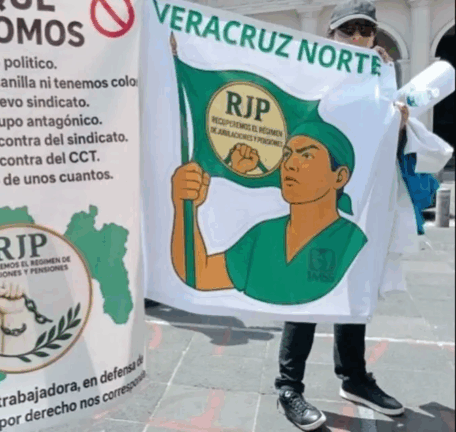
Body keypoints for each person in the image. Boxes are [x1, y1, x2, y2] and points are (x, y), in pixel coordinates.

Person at [272, 1, 408, 429]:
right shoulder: (310, 74)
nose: (357, 38)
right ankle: (288, 387)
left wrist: (400, 124)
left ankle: (353, 377)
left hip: (360, 201)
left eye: (366, 30)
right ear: (330, 35)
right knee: (306, 289)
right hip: (314, 202)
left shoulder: (380, 81)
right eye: (348, 29)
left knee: (354, 286)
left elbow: (389, 151)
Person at [171, 125, 368, 306]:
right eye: (287, 154)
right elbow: (199, 274)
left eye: (307, 156)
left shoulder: (353, 241)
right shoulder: (264, 236)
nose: (290, 164)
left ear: (339, 176)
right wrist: (185, 207)